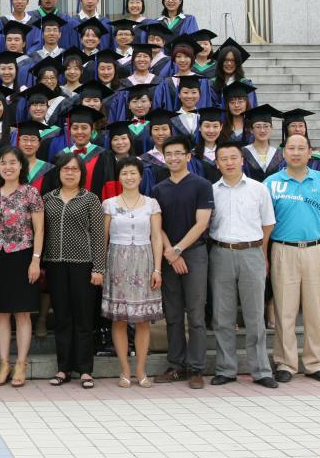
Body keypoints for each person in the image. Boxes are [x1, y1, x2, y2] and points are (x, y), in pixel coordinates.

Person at [266, 133, 320, 384]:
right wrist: (264, 256)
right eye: (291, 148)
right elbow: (264, 224)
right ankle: (285, 363)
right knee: (284, 310)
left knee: (314, 310)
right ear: (284, 152)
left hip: (315, 251)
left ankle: (315, 363)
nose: (296, 152)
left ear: (310, 152)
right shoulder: (271, 183)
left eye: (301, 148)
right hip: (283, 250)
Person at [209, 142, 278, 388]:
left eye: (233, 157)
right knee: (222, 315)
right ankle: (226, 369)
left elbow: (268, 224)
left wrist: (261, 252)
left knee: (255, 315)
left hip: (252, 252)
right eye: (223, 158)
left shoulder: (259, 189)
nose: (229, 162)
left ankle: (261, 370)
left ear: (242, 160)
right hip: (221, 253)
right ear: (217, 163)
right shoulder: (211, 191)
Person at [150, 134, 214, 389]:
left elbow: (202, 223)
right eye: (169, 154)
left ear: (188, 156)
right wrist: (169, 251)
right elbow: (158, 225)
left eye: (179, 153)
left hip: (194, 253)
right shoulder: (158, 189)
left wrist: (178, 249)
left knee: (196, 314)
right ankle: (176, 365)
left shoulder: (201, 185)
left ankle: (196, 368)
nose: (173, 158)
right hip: (168, 256)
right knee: (173, 314)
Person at [42, 152, 106, 389]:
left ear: (82, 173)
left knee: (83, 318)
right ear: (59, 172)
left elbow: (99, 235)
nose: (70, 173)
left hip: (83, 265)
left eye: (75, 169)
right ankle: (64, 368)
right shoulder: (48, 199)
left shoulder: (90, 199)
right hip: (55, 265)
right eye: (65, 169)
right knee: (62, 318)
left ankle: (85, 370)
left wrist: (98, 268)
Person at [0, 147, 44, 388]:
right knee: (1, 313)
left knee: (22, 313)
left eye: (12, 163)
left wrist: (36, 260)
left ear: (21, 166)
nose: (8, 167)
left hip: (23, 257)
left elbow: (39, 229)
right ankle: (4, 363)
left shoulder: (31, 193)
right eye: (3, 163)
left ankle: (21, 364)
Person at [100, 157, 163, 388]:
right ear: (119, 177)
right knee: (120, 319)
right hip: (117, 262)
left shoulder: (151, 204)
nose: (129, 177)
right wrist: (100, 268)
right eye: (124, 173)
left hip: (144, 262)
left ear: (140, 176)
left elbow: (156, 237)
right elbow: (103, 238)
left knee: (143, 319)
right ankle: (125, 370)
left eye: (133, 173)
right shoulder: (109, 204)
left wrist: (157, 269)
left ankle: (141, 370)